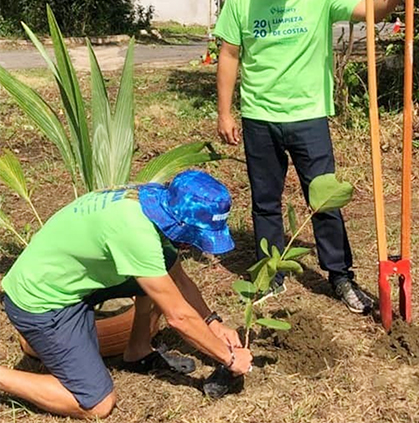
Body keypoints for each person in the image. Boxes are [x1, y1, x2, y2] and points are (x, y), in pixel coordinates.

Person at [214, 0, 419, 313]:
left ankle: (340, 276)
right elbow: (229, 54)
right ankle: (270, 273)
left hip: (309, 115)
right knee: (265, 201)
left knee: (324, 199)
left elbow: (374, 9)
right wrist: (225, 113)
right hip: (259, 116)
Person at [0, 170, 252, 419]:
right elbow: (179, 316)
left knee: (161, 272)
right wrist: (229, 358)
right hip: (42, 302)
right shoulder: (136, 232)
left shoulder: (150, 203)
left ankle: (138, 351)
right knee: (96, 404)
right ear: (179, 223)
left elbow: (178, 279)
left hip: (71, 279)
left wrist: (213, 322)